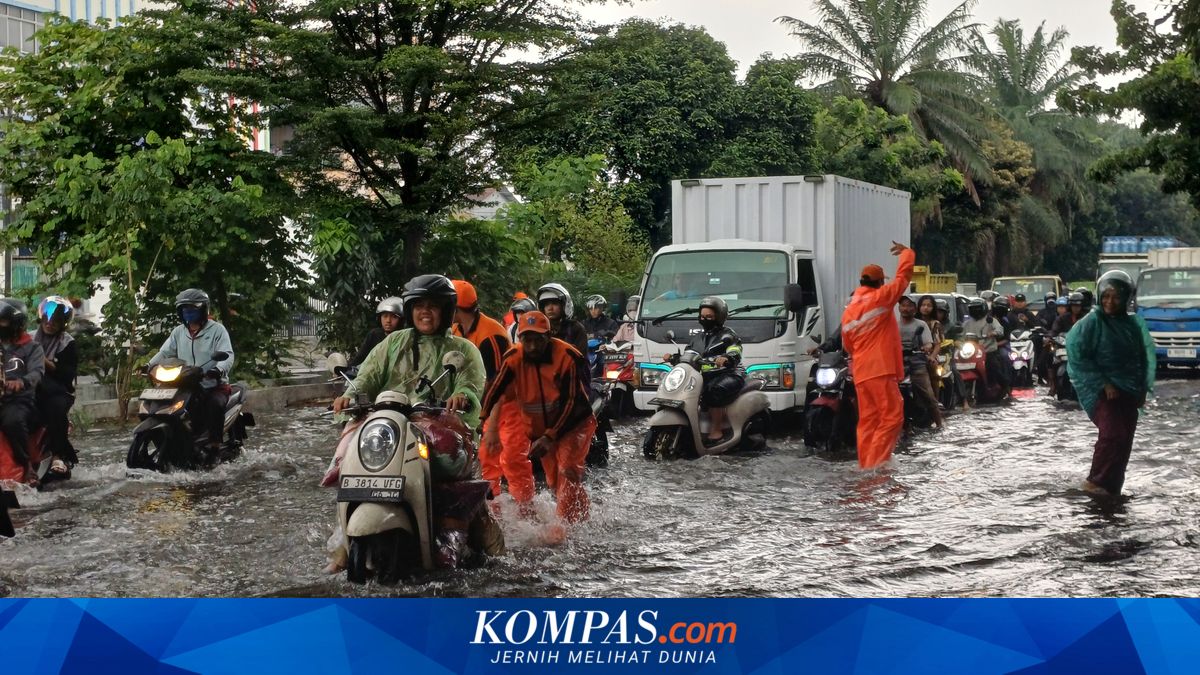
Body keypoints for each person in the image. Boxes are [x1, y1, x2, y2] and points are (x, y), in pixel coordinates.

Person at [480, 311, 596, 524]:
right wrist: (483, 422)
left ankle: (563, 529)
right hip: (543, 428)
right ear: (520, 338)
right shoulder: (513, 358)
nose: (532, 346)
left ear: (549, 336)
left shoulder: (567, 357)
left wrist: (550, 436)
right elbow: (495, 389)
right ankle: (584, 516)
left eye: (538, 340)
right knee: (553, 481)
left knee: (567, 470)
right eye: (527, 340)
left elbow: (572, 402)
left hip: (574, 423)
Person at [332, 275, 485, 425]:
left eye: (432, 306)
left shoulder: (463, 349)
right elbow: (369, 375)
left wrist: (462, 395)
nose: (425, 311)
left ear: (445, 312)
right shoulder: (394, 341)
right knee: (350, 442)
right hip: (388, 422)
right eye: (419, 306)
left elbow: (470, 382)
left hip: (440, 426)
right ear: (410, 311)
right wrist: (350, 396)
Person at [1067, 271, 1155, 496]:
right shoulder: (1092, 323)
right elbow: (1077, 356)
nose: (1110, 302)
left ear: (1127, 297)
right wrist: (1103, 383)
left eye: (1116, 296)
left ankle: (1112, 487)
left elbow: (1143, 356)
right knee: (1112, 435)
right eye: (1105, 296)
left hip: (1130, 391)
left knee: (1124, 440)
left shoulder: (1133, 324)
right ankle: (1094, 483)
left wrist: (1144, 387)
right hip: (1102, 393)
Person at [450, 280, 527, 505]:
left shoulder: (491, 335)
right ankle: (494, 510)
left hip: (509, 405)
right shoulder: (456, 330)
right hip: (484, 406)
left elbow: (498, 386)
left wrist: (491, 426)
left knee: (513, 460)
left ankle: (526, 511)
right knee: (487, 460)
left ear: (456, 307)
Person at [840, 242, 915, 469]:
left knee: (868, 421)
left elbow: (848, 345)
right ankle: (877, 463)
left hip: (861, 372)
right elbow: (903, 278)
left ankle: (865, 465)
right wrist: (907, 253)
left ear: (862, 282)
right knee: (892, 417)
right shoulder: (881, 298)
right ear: (880, 282)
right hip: (880, 369)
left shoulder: (849, 311)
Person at [148, 289, 235, 457]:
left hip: (214, 383)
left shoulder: (218, 330)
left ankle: (214, 446)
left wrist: (218, 369)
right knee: (166, 404)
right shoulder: (178, 332)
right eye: (184, 309)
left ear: (203, 310)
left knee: (214, 405)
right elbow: (165, 353)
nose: (188, 313)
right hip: (185, 381)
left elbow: (228, 355)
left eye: (192, 309)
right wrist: (149, 365)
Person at [684, 297, 745, 445]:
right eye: (702, 316)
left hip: (729, 373)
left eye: (709, 317)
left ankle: (717, 431)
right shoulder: (698, 337)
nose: (705, 319)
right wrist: (674, 357)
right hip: (704, 376)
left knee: (713, 390)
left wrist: (727, 357)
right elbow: (689, 353)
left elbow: (735, 349)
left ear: (719, 317)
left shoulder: (728, 335)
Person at [31, 296, 79, 477]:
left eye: (56, 320)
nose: (50, 323)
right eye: (48, 318)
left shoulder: (67, 342)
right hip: (30, 387)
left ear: (63, 323)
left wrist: (45, 362)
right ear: (42, 317)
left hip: (58, 390)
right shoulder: (28, 338)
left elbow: (67, 375)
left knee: (55, 409)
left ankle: (57, 455)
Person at [0, 299, 45, 486]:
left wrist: (21, 382)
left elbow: (37, 372)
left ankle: (27, 466)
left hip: (19, 401)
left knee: (12, 421)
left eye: (3, 321)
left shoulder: (32, 347)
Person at [898, 296, 944, 429]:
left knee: (929, 396)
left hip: (917, 363)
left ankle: (940, 424)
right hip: (898, 365)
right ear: (899, 308)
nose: (906, 308)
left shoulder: (921, 325)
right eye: (903, 305)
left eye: (909, 305)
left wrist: (926, 348)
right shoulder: (893, 324)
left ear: (914, 308)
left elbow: (930, 343)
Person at [960, 296, 1008, 392]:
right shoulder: (967, 323)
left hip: (987, 351)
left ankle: (1003, 385)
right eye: (973, 309)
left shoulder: (991, 320)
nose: (975, 311)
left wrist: (993, 333)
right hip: (971, 352)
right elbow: (961, 334)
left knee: (993, 366)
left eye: (977, 309)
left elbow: (999, 329)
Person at [348, 297, 404, 368]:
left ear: (401, 320)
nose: (388, 320)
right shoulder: (374, 334)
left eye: (394, 317)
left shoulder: (405, 337)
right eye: (385, 316)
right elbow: (360, 357)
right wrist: (346, 370)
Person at [536, 283, 588, 358]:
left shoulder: (575, 328)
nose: (550, 308)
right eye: (546, 304)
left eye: (554, 303)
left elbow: (582, 360)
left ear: (564, 305)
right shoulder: (538, 329)